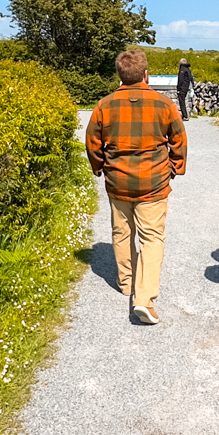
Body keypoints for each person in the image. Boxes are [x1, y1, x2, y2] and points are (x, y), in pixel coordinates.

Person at [85, 49, 188, 325]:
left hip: (118, 182)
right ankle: (144, 298)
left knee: (121, 232)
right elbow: (179, 139)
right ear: (146, 74)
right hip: (153, 183)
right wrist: (176, 167)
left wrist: (100, 167)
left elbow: (93, 142)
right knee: (152, 237)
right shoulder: (164, 104)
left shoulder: (104, 105)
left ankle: (126, 282)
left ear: (119, 74)